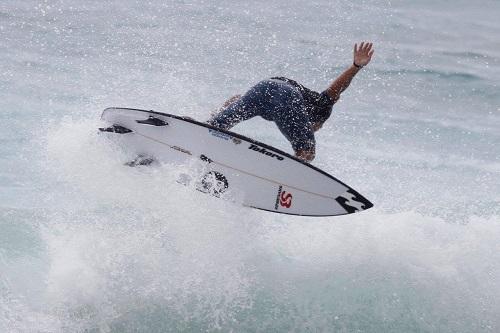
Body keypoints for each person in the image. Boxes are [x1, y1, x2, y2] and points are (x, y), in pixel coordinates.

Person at [207, 42, 374, 162]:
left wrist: (220, 112)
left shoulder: (294, 116)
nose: (312, 131)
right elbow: (335, 90)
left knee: (213, 126)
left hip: (263, 86)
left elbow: (237, 98)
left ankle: (208, 125)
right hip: (288, 96)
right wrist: (356, 66)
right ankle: (287, 182)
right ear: (317, 123)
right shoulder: (320, 108)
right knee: (307, 153)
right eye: (316, 128)